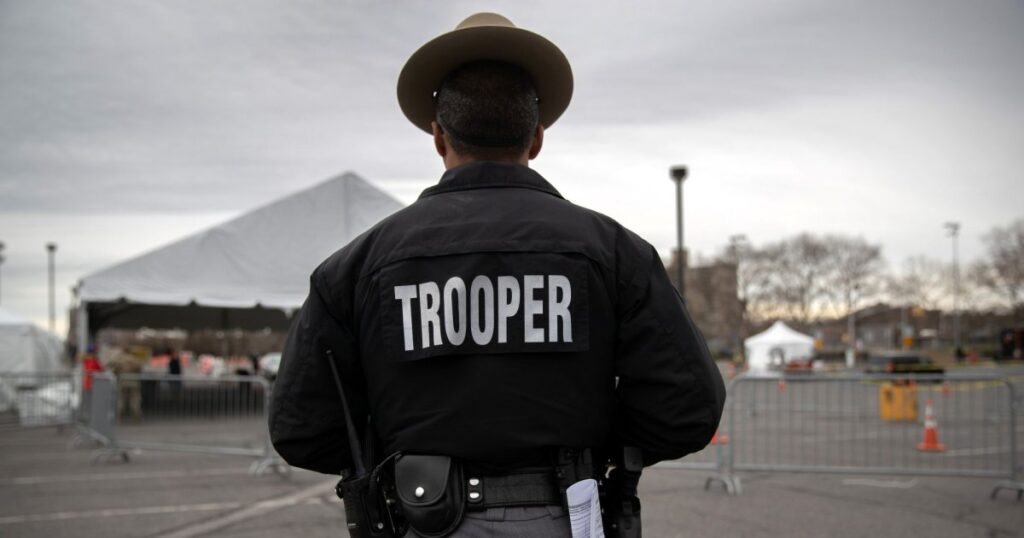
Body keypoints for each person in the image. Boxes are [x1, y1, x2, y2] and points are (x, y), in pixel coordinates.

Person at [270, 12, 725, 537]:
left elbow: (301, 428)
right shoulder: (617, 253)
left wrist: (399, 455)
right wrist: (596, 447)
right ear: (536, 138)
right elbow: (687, 406)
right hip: (567, 517)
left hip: (423, 518)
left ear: (439, 137)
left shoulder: (354, 268)